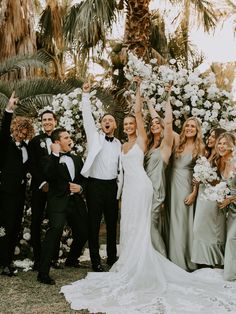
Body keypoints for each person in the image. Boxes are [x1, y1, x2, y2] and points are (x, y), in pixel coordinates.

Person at [60, 80, 236, 314]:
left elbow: (144, 115)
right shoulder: (122, 144)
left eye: (134, 123)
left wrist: (142, 93)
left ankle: (157, 261)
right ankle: (129, 260)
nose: (132, 125)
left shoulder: (149, 142)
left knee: (147, 227)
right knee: (130, 226)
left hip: (145, 189)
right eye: (128, 124)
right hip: (128, 190)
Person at [37, 128, 88, 285]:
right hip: (58, 202)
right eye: (66, 137)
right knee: (55, 231)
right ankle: (43, 272)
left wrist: (81, 188)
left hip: (75, 202)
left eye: (70, 137)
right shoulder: (49, 159)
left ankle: (71, 260)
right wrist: (55, 155)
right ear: (57, 142)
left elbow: (84, 179)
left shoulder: (77, 159)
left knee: (84, 231)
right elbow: (49, 175)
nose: (70, 139)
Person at [80, 83, 121, 272]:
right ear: (101, 124)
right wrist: (85, 95)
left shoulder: (119, 143)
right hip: (94, 186)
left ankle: (112, 258)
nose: (107, 122)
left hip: (112, 186)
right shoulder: (94, 137)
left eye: (110, 120)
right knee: (94, 224)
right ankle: (95, 260)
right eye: (104, 120)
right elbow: (87, 117)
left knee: (113, 224)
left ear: (115, 125)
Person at [0, 91, 34, 276]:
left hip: (20, 193)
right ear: (14, 129)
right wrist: (9, 109)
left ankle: (8, 260)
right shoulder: (5, 144)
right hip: (5, 192)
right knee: (4, 226)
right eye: (19, 130)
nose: (21, 133)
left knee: (15, 227)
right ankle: (4, 263)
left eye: (24, 131)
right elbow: (3, 129)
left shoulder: (27, 148)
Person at [168, 116, 205, 271]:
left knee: (182, 222)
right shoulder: (177, 142)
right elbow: (166, 124)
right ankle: (171, 257)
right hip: (170, 184)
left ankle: (182, 260)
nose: (189, 128)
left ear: (197, 130)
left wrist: (194, 193)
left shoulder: (200, 147)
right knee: (171, 219)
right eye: (187, 126)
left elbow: (201, 174)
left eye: (193, 127)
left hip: (185, 186)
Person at [145, 84, 174, 256]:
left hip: (156, 190)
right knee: (145, 224)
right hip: (144, 189)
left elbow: (168, 122)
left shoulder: (165, 146)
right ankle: (150, 257)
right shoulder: (149, 145)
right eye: (152, 123)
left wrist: (168, 97)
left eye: (158, 123)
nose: (154, 124)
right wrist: (148, 102)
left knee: (151, 224)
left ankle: (162, 259)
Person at [191, 128, 226, 268]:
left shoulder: (221, 158)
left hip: (213, 198)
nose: (210, 139)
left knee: (210, 230)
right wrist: (198, 182)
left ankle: (216, 262)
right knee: (198, 229)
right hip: (202, 196)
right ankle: (204, 262)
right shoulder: (207, 155)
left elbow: (222, 181)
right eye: (210, 136)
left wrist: (206, 178)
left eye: (213, 137)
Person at [28, 110, 58, 271]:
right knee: (36, 222)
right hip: (39, 188)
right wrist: (42, 182)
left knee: (55, 222)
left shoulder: (60, 139)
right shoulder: (35, 141)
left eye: (49, 119)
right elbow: (32, 164)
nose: (47, 122)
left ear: (55, 121)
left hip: (56, 189)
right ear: (41, 122)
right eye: (44, 120)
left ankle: (53, 257)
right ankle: (38, 259)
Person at [215, 132, 236, 280]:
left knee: (231, 239)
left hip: (233, 203)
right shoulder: (221, 162)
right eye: (219, 143)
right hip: (231, 210)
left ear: (232, 145)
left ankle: (230, 274)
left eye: (224, 143)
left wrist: (229, 199)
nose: (221, 146)